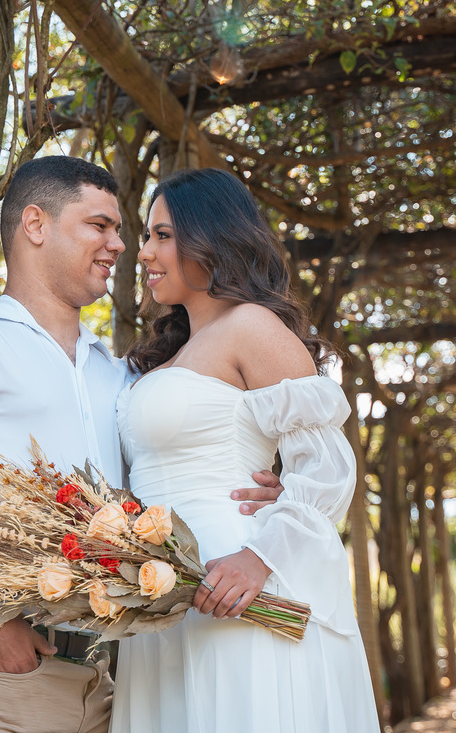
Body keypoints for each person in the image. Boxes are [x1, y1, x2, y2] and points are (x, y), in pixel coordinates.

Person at [0, 156, 283, 733]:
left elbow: (172, 464)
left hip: (107, 689)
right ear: (35, 225)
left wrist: (266, 490)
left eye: (121, 231)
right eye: (99, 226)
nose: (121, 245)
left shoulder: (124, 377)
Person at [110, 168, 380, 733]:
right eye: (147, 236)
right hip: (165, 594)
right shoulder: (169, 353)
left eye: (162, 235)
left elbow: (327, 466)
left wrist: (259, 560)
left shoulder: (252, 327)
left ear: (210, 238)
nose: (144, 253)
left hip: (236, 581)